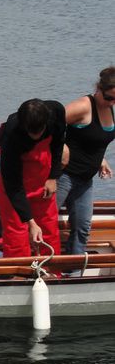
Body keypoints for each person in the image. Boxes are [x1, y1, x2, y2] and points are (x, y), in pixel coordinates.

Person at [0, 98, 65, 259]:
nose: (35, 136)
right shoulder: (11, 135)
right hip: (16, 183)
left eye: (39, 131)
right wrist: (30, 222)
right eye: (31, 132)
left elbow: (58, 143)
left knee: (48, 227)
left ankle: (52, 271)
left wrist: (53, 176)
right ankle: (18, 274)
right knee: (16, 232)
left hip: (43, 178)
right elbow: (13, 185)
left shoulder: (56, 111)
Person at [59, 67, 115, 255]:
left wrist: (101, 159)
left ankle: (74, 271)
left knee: (82, 227)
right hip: (62, 176)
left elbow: (94, 138)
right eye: (108, 98)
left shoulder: (110, 109)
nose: (111, 103)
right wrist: (61, 146)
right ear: (99, 89)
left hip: (85, 180)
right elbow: (50, 123)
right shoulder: (84, 106)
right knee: (42, 218)